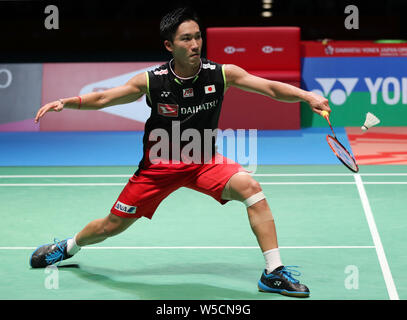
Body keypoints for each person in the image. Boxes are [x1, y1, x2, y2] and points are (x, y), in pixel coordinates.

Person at [30, 7, 330, 298]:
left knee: (251, 188)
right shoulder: (151, 81)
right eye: (186, 38)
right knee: (111, 226)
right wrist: (68, 102)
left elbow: (269, 88)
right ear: (169, 45)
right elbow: (106, 97)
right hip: (158, 168)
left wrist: (307, 97)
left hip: (204, 162)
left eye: (198, 36)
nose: (195, 44)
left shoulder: (222, 74)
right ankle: (69, 246)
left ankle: (273, 272)